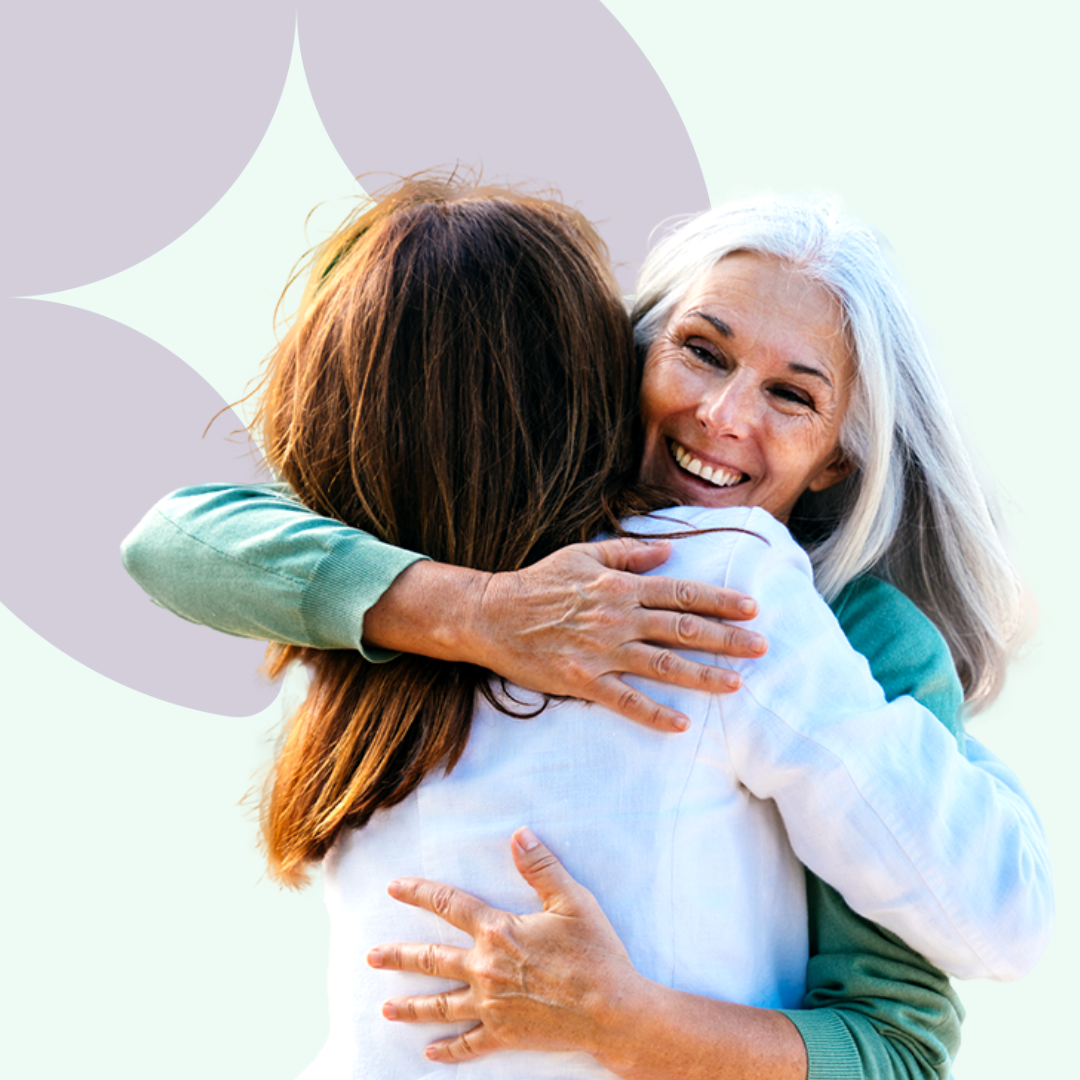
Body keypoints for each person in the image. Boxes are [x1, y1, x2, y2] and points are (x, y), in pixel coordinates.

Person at [122, 181, 1051, 1079]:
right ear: (629, 353)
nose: (724, 417)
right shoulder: (457, 550)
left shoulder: (840, 628)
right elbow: (173, 538)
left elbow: (901, 1042)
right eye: (703, 351)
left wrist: (632, 1027)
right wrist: (485, 613)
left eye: (792, 396)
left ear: (835, 461)